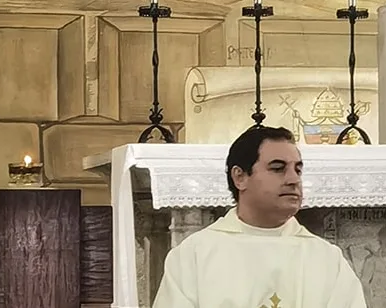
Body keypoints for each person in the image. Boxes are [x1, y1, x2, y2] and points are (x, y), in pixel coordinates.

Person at [152, 126, 367, 307]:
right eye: (278, 168)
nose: (294, 180)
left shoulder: (327, 259)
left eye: (298, 170)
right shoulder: (194, 257)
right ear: (240, 177)